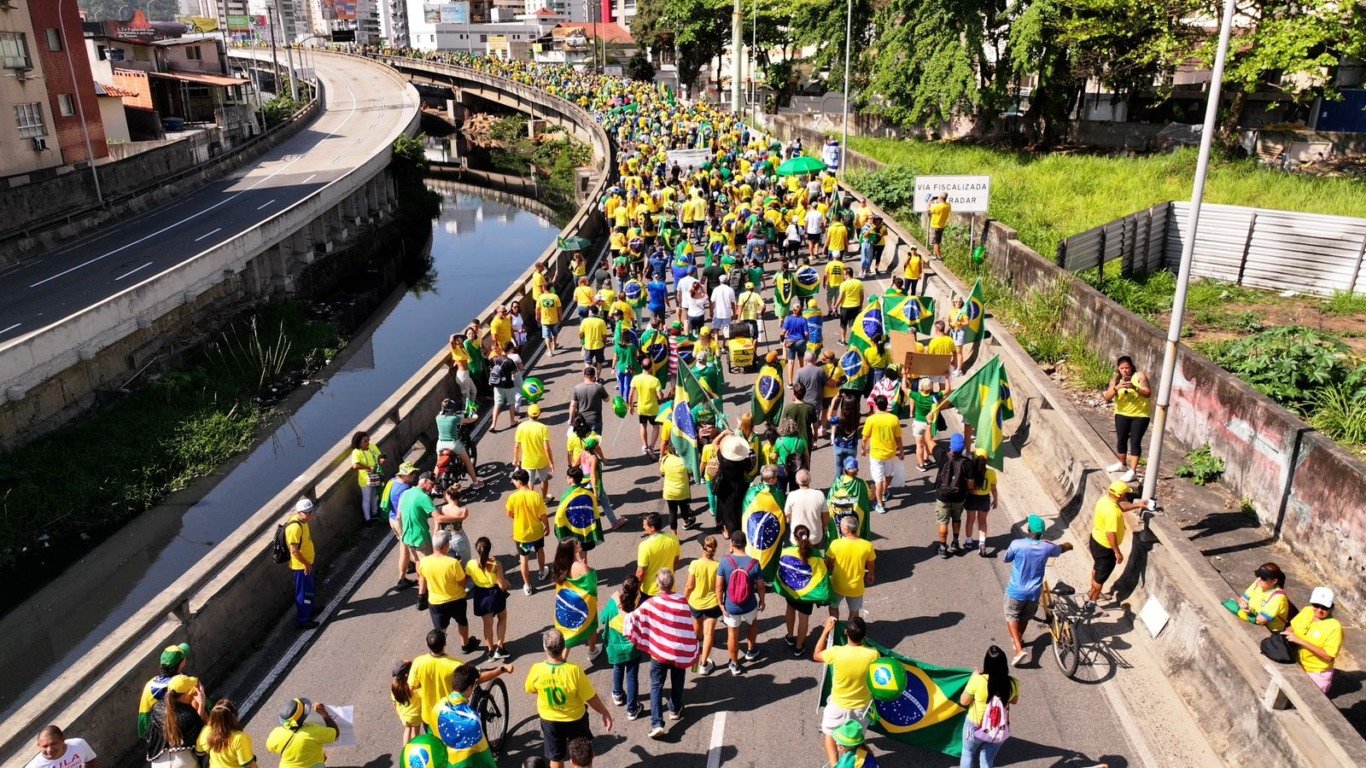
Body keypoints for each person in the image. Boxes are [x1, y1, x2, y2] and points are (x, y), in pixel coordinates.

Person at [625, 568, 700, 739]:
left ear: (658, 585)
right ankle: (674, 708)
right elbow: (688, 624)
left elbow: (634, 618)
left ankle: (657, 722)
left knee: (656, 685)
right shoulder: (682, 600)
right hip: (677, 651)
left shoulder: (652, 603)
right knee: (678, 679)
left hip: (659, 652)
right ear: (672, 584)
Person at [524, 630, 613, 768]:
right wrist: (604, 712)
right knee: (582, 755)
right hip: (576, 720)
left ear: (545, 648)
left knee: (556, 756)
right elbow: (591, 697)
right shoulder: (574, 670)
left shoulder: (537, 670)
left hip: (550, 721)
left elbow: (530, 688)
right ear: (563, 646)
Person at [1002, 515, 1072, 666]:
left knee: (1011, 617)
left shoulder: (1017, 544)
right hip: (1034, 592)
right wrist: (1069, 545)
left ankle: (1019, 649)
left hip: (1016, 591)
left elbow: (1006, 558)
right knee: (1025, 617)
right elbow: (1062, 548)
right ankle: (1018, 639)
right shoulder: (1047, 547)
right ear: (1042, 533)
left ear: (1028, 530)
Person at [813, 616, 878, 767]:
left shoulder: (836, 652)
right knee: (857, 739)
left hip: (838, 706)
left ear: (846, 634)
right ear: (864, 635)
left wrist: (826, 631)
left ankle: (835, 765)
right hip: (861, 708)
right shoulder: (873, 654)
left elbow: (816, 655)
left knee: (830, 734)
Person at [1088, 480, 1147, 609]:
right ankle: (1092, 602)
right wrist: (1117, 552)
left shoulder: (1105, 500)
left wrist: (1139, 505)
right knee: (1100, 577)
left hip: (1095, 540)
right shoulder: (1112, 513)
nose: (1127, 496)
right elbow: (1110, 534)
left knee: (1097, 568)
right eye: (1126, 493)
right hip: (1106, 548)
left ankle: (1092, 591)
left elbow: (1121, 507)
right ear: (1121, 495)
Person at [958, 646, 1020, 768]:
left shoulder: (977, 681)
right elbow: (1014, 701)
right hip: (999, 729)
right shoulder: (1013, 683)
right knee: (986, 760)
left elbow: (963, 701)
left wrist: (973, 677)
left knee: (967, 753)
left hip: (975, 726)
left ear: (986, 663)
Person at [716, 530, 765, 675]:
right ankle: (751, 651)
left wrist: (721, 604)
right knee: (752, 624)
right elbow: (761, 586)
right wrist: (762, 601)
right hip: (749, 604)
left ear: (732, 543)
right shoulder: (754, 563)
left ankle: (735, 663)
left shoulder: (724, 561)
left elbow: (719, 587)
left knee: (732, 633)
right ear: (745, 544)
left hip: (731, 606)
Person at [600, 574, 647, 720]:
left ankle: (618, 694)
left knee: (618, 668)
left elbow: (602, 618)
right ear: (637, 590)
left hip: (615, 647)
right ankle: (632, 709)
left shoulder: (614, 604)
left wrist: (614, 601)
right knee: (632, 676)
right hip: (633, 649)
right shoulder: (640, 605)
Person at [137, 643, 202, 741]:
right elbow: (198, 685)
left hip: (158, 734)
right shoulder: (182, 681)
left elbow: (144, 720)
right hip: (183, 729)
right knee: (197, 695)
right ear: (181, 664)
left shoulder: (149, 684)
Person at [1103, 355, 1152, 484]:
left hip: (1140, 415)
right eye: (1122, 368)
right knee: (1121, 439)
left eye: (1127, 367)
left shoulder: (1139, 376)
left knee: (1135, 441)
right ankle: (1122, 463)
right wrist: (1116, 388)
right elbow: (1107, 397)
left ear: (1131, 367)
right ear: (1118, 369)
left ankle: (1133, 471)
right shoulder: (1116, 379)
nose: (1125, 370)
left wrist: (1135, 388)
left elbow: (1148, 393)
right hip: (1122, 413)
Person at [1285, 587, 1343, 694]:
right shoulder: (1307, 611)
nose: (1319, 610)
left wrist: (1300, 641)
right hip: (1296, 661)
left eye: (1324, 607)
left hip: (1316, 672)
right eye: (1316, 605)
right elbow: (1291, 628)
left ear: (1331, 608)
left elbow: (1329, 656)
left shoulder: (1335, 627)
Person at [781, 524, 823, 657]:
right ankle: (799, 647)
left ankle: (789, 636)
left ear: (794, 537)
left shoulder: (787, 551)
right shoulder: (816, 554)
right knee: (803, 618)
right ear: (808, 536)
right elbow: (821, 573)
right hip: (807, 592)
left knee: (790, 609)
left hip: (792, 590)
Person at [507, 468, 551, 595]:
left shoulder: (513, 497)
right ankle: (542, 571)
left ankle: (527, 585)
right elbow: (543, 515)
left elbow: (509, 513)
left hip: (521, 534)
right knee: (539, 551)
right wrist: (547, 527)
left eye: (514, 481)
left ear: (519, 482)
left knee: (524, 559)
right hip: (536, 532)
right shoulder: (536, 496)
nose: (513, 483)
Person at [468, 536, 512, 660]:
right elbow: (502, 585)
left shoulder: (471, 564)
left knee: (487, 624)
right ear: (489, 549)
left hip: (480, 596)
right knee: (502, 618)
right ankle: (500, 647)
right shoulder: (495, 564)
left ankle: (490, 651)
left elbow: (467, 577)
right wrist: (507, 583)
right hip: (495, 595)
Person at [683, 536, 722, 675]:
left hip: (696, 603)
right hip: (713, 604)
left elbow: (689, 586)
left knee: (697, 632)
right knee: (709, 634)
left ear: (702, 548)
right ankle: (704, 665)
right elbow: (720, 587)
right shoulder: (718, 566)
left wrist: (684, 599)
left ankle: (696, 652)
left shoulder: (694, 564)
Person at [146, 680, 205, 768]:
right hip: (182, 762)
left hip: (158, 762)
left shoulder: (157, 708)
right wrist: (201, 704)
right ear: (184, 695)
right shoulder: (188, 714)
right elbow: (198, 730)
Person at [826, 516, 875, 621]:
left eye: (841, 526)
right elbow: (871, 563)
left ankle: (834, 630)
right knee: (854, 612)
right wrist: (870, 574)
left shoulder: (836, 544)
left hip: (837, 585)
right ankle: (850, 633)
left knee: (833, 607)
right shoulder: (867, 545)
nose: (840, 528)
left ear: (846, 530)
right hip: (856, 587)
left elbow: (828, 564)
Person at [860, 394, 902, 516]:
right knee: (888, 475)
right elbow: (898, 438)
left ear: (876, 405)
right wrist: (902, 451)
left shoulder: (871, 420)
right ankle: (884, 492)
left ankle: (880, 504)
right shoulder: (894, 418)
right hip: (890, 453)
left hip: (876, 455)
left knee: (878, 480)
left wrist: (863, 449)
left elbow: (864, 438)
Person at [267, 699, 336, 768]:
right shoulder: (313, 732)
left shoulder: (275, 733)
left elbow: (270, 747)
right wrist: (324, 714)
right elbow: (335, 733)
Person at [934, 434, 972, 559]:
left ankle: (943, 547)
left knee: (943, 522)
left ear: (950, 446)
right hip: (959, 497)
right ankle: (955, 542)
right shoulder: (967, 463)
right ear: (963, 448)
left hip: (943, 496)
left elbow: (929, 441)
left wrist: (929, 423)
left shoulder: (942, 457)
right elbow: (971, 485)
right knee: (957, 519)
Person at [285, 498, 320, 629]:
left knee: (309, 590)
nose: (310, 514)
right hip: (302, 567)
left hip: (307, 564)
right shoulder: (294, 528)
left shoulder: (303, 520)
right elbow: (293, 550)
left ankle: (309, 608)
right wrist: (306, 564)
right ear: (299, 512)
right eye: (307, 512)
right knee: (303, 593)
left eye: (311, 511)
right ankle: (304, 619)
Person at [1228, 562, 1290, 632]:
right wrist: (1243, 605)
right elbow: (1242, 599)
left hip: (1269, 631)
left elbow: (1260, 620)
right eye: (1258, 575)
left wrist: (1247, 612)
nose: (1258, 579)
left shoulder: (1278, 598)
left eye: (1263, 578)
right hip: (1252, 619)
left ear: (1274, 581)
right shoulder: (1258, 583)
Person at [435, 400, 481, 490]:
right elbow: (468, 420)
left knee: (438, 465)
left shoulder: (438, 417)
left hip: (440, 444)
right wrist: (475, 417)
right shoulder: (454, 418)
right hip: (453, 444)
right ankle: (475, 483)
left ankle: (434, 487)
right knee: (467, 461)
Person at [196, 700, 255, 768]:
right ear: (233, 716)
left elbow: (199, 753)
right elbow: (249, 765)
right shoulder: (239, 738)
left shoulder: (205, 731)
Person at [514, 404, 555, 500]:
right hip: (542, 460)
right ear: (539, 414)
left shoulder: (521, 427)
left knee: (530, 482)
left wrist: (516, 459)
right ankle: (544, 499)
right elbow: (547, 448)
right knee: (544, 480)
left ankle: (530, 501)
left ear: (528, 414)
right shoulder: (543, 427)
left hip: (527, 461)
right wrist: (551, 463)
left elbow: (516, 446)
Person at [964, 449, 1000, 555]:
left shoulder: (970, 471)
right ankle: (982, 542)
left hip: (971, 498)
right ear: (986, 459)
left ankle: (969, 541)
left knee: (970, 520)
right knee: (982, 521)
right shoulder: (991, 473)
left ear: (974, 458)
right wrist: (995, 499)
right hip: (984, 499)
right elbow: (993, 488)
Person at [350, 430, 386, 525]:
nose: (368, 443)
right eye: (365, 441)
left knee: (375, 496)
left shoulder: (372, 447)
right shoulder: (356, 452)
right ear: (358, 443)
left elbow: (380, 456)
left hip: (376, 475)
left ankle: (374, 513)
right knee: (367, 498)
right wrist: (368, 468)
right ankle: (368, 519)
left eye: (368, 440)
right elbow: (355, 466)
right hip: (365, 479)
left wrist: (382, 459)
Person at [398, 474, 437, 562]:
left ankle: (420, 576)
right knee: (428, 565)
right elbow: (438, 517)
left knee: (418, 562)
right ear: (425, 482)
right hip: (421, 538)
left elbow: (404, 513)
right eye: (432, 484)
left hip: (408, 538)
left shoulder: (406, 493)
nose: (432, 488)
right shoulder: (423, 497)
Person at [784, 469, 827, 549]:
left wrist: (794, 519)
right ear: (810, 480)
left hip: (797, 537)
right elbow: (825, 516)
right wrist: (823, 527)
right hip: (815, 538)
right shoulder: (819, 494)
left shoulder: (792, 495)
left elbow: (787, 513)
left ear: (797, 481)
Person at [659, 445, 695, 532]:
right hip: (682, 491)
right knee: (684, 508)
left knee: (672, 512)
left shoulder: (665, 459)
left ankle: (674, 534)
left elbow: (662, 473)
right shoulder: (685, 461)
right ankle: (686, 522)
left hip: (669, 491)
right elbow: (690, 473)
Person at [26, 725, 98, 768]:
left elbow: (90, 760)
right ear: (39, 745)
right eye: (45, 746)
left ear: (62, 740)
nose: (49, 750)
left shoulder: (79, 744)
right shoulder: (35, 766)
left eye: (54, 744)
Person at [488, 341, 521, 432]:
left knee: (497, 404)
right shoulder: (510, 361)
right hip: (508, 385)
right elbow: (513, 375)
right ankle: (512, 421)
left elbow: (491, 369)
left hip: (497, 385)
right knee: (511, 403)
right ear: (510, 349)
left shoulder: (494, 359)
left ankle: (493, 425)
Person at [629, 366, 662, 456]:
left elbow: (631, 394)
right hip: (653, 408)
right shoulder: (655, 380)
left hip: (642, 408)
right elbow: (660, 397)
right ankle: (652, 446)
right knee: (656, 427)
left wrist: (630, 406)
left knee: (643, 426)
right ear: (651, 367)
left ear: (642, 367)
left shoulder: (636, 378)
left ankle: (645, 446)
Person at [390, 661, 422, 747]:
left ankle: (405, 749)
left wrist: (397, 712)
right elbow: (423, 694)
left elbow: (394, 702)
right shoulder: (412, 688)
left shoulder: (395, 688)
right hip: (414, 716)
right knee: (415, 731)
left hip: (403, 715)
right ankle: (413, 749)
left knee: (407, 729)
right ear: (408, 675)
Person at [780, 303, 809, 384]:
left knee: (791, 362)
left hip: (791, 342)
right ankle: (800, 380)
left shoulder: (789, 319)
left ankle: (790, 382)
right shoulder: (803, 320)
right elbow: (806, 333)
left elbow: (783, 332)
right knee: (801, 360)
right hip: (801, 341)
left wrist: (782, 340)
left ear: (793, 310)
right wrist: (806, 340)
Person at [538, 283, 564, 356]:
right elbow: (559, 309)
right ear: (550, 288)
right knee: (555, 333)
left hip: (545, 320)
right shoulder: (555, 297)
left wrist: (537, 316)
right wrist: (560, 317)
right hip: (554, 319)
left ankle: (550, 351)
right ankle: (554, 345)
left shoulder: (541, 297)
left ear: (543, 288)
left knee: (547, 336)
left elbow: (537, 309)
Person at [928, 193, 951, 259]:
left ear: (941, 198)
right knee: (938, 240)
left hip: (935, 226)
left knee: (935, 242)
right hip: (941, 225)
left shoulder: (937, 206)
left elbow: (928, 210)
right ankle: (934, 255)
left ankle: (939, 256)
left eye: (939, 197)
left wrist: (930, 201)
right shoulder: (948, 205)